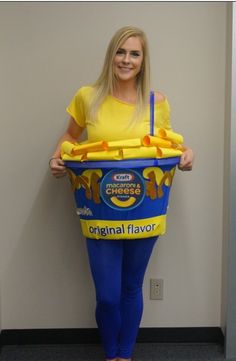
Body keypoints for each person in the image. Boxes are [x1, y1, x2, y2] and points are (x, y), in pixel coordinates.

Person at [49, 26, 194, 361]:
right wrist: (56, 160)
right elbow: (69, 137)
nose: (126, 60)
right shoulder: (88, 96)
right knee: (108, 296)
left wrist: (188, 155)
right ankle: (110, 351)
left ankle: (122, 356)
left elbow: (172, 144)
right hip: (99, 210)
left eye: (134, 53)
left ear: (143, 61)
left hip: (145, 209)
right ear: (110, 55)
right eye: (121, 52)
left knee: (131, 287)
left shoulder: (157, 103)